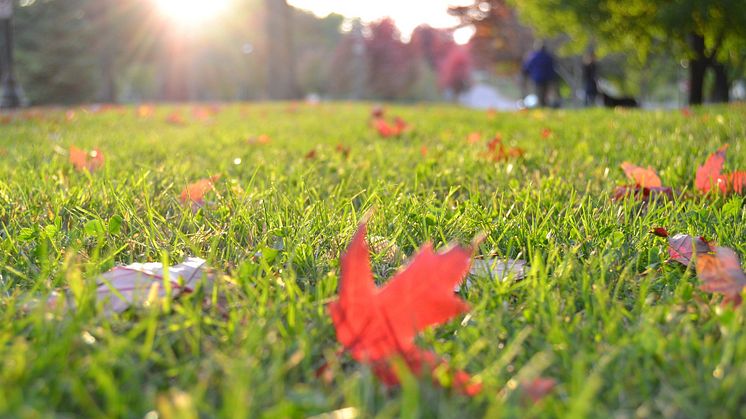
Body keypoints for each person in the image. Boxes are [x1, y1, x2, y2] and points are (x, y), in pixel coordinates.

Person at [521, 41, 557, 107]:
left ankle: (541, 104)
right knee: (545, 92)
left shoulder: (533, 57)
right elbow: (552, 68)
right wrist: (552, 77)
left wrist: (525, 75)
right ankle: (544, 104)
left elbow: (527, 67)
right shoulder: (548, 57)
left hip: (537, 78)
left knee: (538, 91)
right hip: (546, 78)